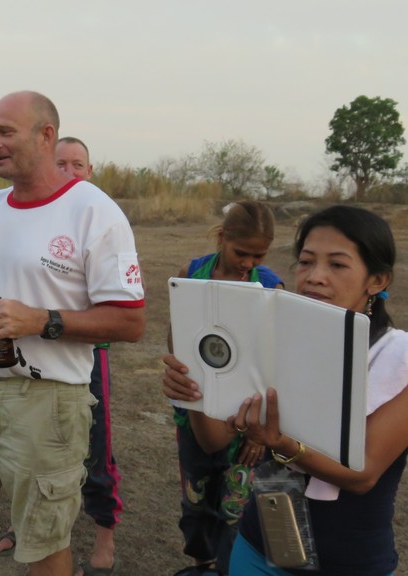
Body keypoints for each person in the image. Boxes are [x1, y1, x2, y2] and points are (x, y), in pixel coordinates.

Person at [163, 205, 408, 575]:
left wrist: (281, 444)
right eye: (305, 261)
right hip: (258, 547)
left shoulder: (404, 361)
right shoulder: (275, 341)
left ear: (377, 280)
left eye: (337, 264)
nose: (314, 277)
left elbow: (363, 476)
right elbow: (213, 441)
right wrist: (196, 389)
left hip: (348, 562)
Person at [0, 91, 146, 576]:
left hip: (48, 401)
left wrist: (41, 320)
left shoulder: (95, 211)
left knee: (43, 541)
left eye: (5, 132)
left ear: (46, 135)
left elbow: (130, 321)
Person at [0, 136, 124, 576]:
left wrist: (43, 319)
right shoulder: (23, 212)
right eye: (60, 163)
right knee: (20, 453)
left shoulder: (97, 214)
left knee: (96, 445)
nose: (68, 172)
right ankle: (20, 525)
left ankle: (104, 534)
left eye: (77, 164)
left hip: (81, 358)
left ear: (90, 171)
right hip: (17, 370)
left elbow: (123, 313)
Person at [168, 200, 283, 576]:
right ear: (221, 238)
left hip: (246, 422)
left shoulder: (269, 286)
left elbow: (275, 365)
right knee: (196, 501)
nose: (248, 262)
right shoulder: (192, 274)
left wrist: (259, 435)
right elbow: (177, 340)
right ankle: (203, 564)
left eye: (258, 255)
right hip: (195, 414)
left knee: (236, 507)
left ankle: (228, 569)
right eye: (241, 252)